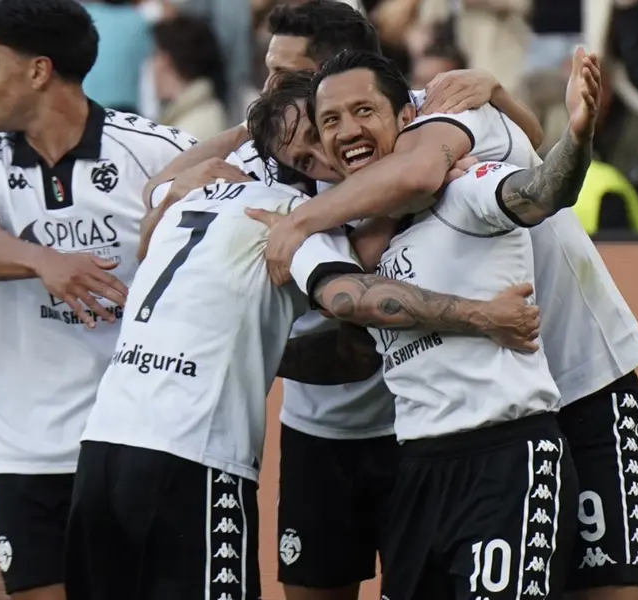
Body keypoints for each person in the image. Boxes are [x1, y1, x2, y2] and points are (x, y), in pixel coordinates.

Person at [65, 79, 546, 600]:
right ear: (285, 165)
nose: (325, 155)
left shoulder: (192, 193)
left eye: (323, 135)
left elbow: (157, 193)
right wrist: (483, 316)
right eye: (306, 155)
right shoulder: (293, 219)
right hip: (194, 453)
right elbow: (352, 295)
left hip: (101, 448)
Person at [258, 48, 638, 600]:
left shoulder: (457, 152)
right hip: (422, 459)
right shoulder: (333, 227)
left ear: (406, 115)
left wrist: (578, 134)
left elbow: (541, 190)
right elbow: (352, 313)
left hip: (555, 411)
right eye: (321, 134)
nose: (336, 143)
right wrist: (480, 317)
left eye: (362, 112)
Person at [0, 1, 196, 599]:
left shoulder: (155, 152)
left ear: (38, 71)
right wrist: (43, 260)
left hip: (139, 442)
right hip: (28, 451)